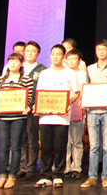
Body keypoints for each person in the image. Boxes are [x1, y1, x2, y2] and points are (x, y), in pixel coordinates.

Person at [34, 44, 80, 188]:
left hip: (62, 116)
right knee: (45, 146)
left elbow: (76, 93)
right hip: (45, 116)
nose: (55, 57)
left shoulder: (70, 73)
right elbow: (39, 92)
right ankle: (45, 175)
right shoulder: (44, 73)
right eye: (53, 54)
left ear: (64, 56)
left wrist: (66, 103)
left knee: (60, 146)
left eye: (58, 54)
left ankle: (58, 175)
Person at [80, 40, 107, 189]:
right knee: (93, 146)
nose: (101, 52)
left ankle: (105, 176)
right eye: (98, 49)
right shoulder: (90, 69)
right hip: (92, 111)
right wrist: (84, 100)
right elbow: (86, 88)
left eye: (104, 49)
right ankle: (92, 176)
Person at [0, 53, 34, 189]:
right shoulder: (0, 80)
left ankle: (12, 176)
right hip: (2, 117)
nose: (13, 63)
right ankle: (2, 175)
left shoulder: (26, 79)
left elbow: (29, 97)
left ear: (21, 64)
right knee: (3, 147)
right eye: (11, 61)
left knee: (15, 146)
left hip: (18, 118)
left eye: (16, 61)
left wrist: (27, 107)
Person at [19, 41, 46, 178]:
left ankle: (31, 167)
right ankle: (21, 166)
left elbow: (42, 90)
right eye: (27, 51)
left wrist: (33, 105)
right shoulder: (18, 67)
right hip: (18, 109)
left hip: (34, 109)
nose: (30, 53)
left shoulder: (43, 70)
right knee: (20, 139)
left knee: (33, 139)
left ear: (38, 54)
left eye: (33, 51)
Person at [63, 49, 87, 179]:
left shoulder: (84, 74)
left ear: (79, 61)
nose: (71, 61)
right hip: (64, 109)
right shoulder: (63, 73)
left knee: (77, 140)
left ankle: (77, 166)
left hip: (79, 108)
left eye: (74, 59)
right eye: (69, 59)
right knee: (66, 141)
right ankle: (66, 167)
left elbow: (86, 91)